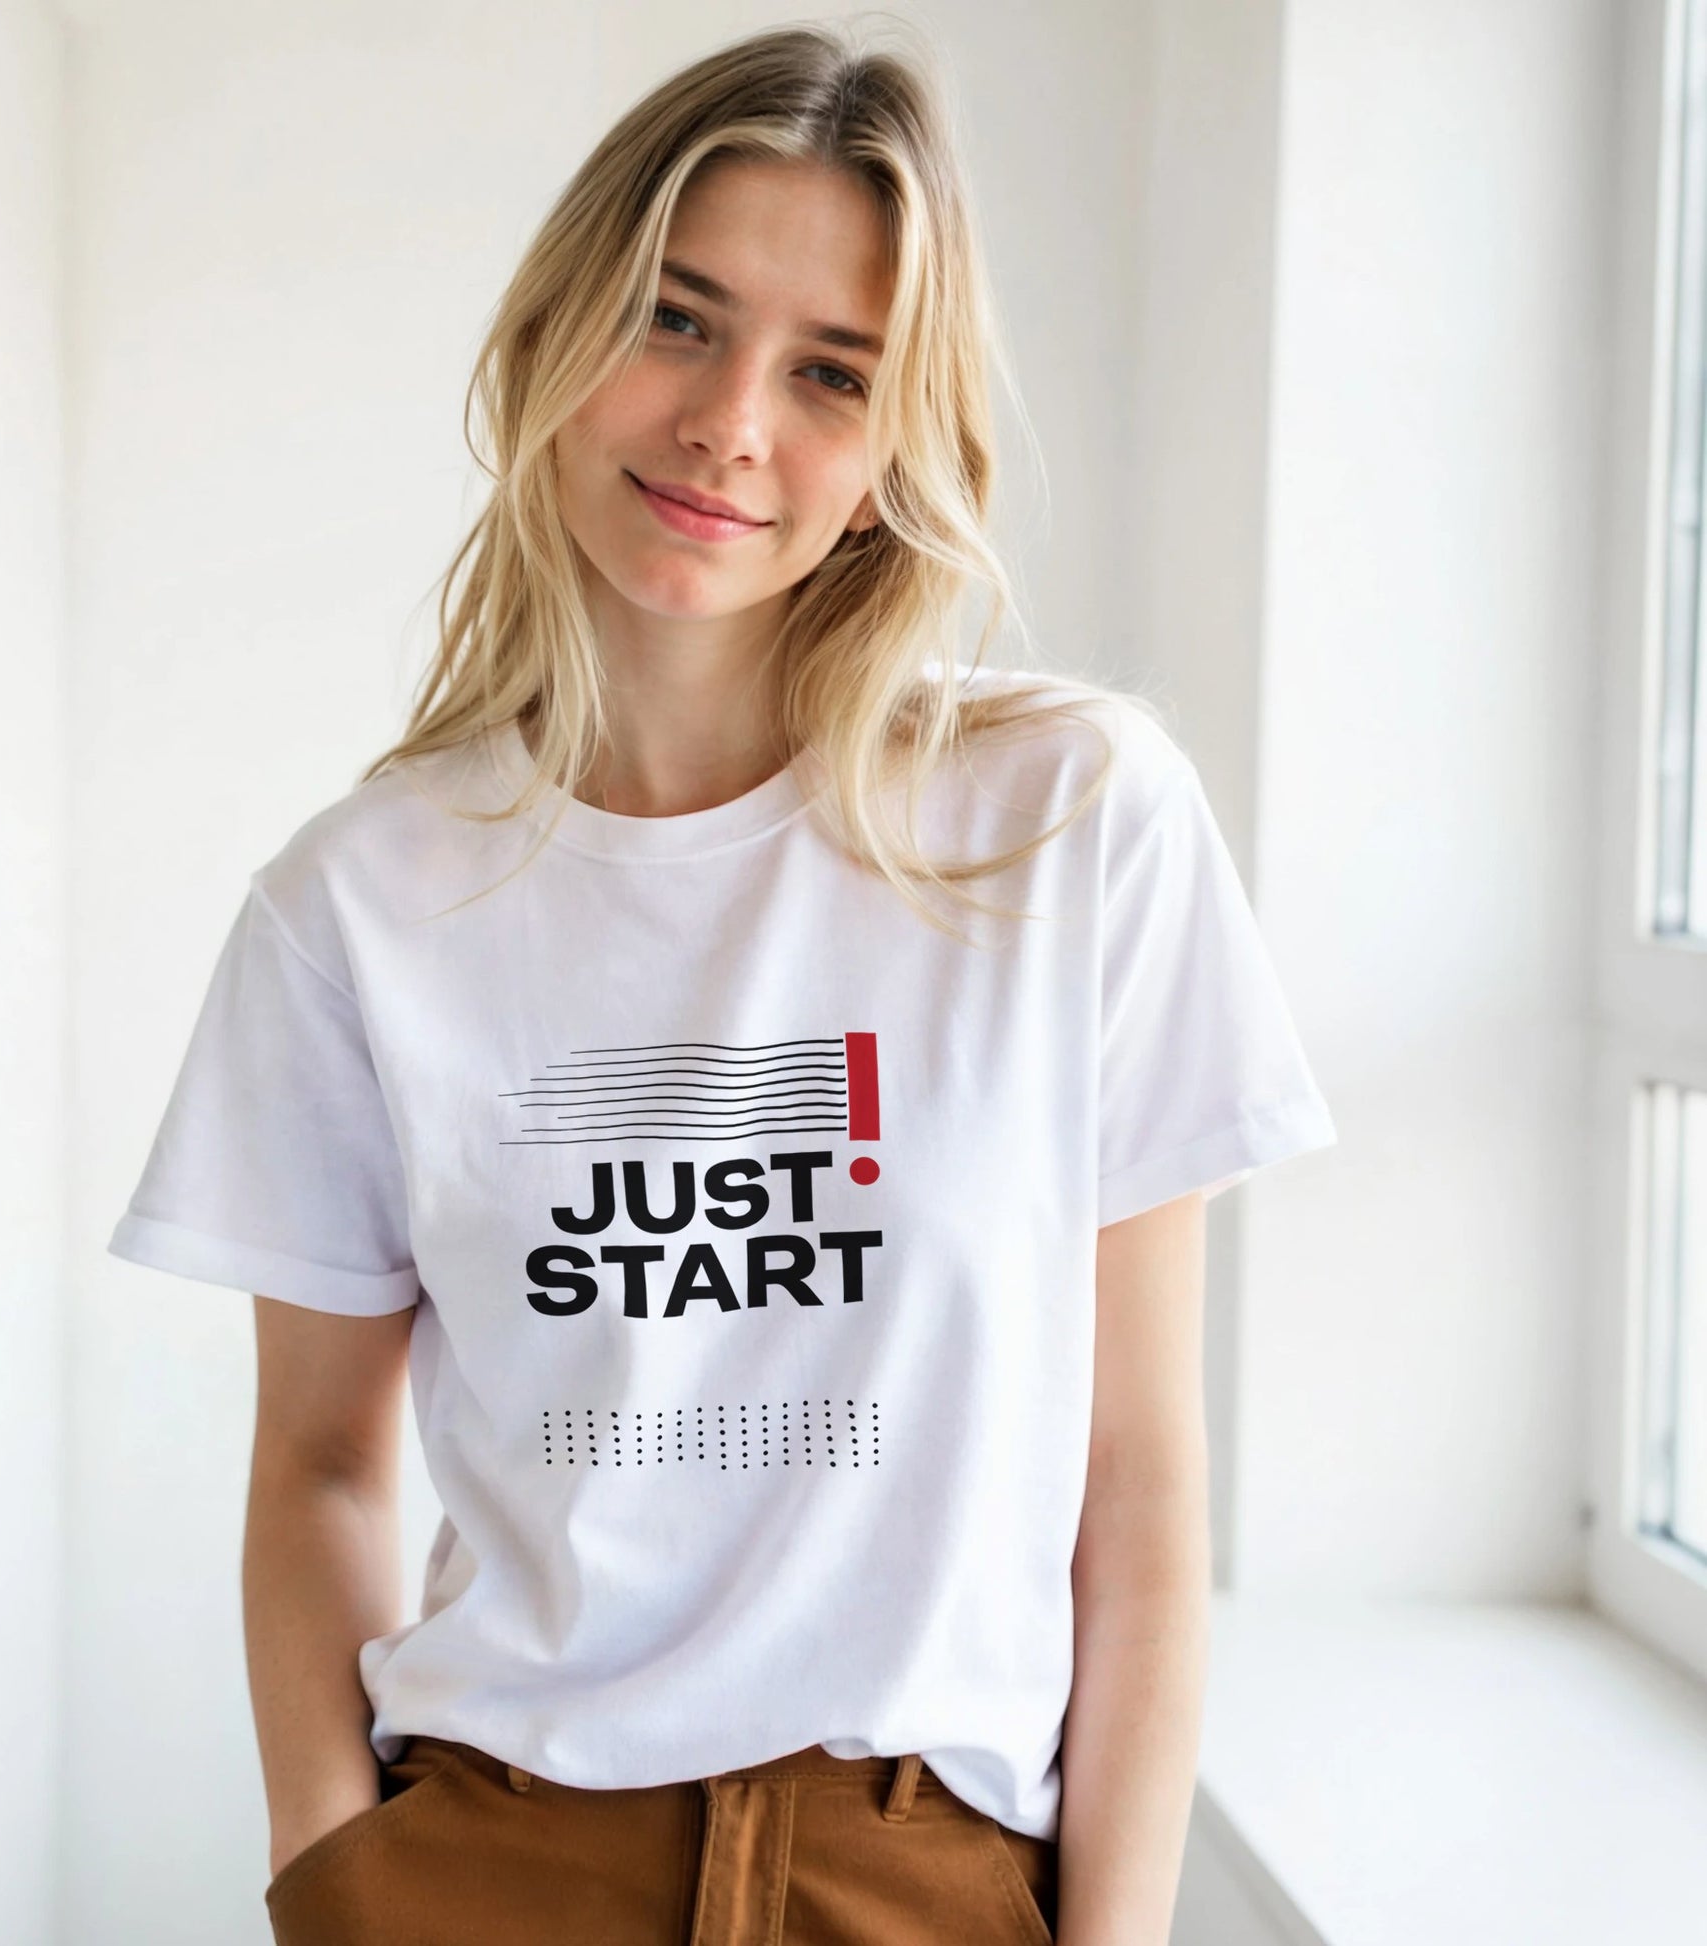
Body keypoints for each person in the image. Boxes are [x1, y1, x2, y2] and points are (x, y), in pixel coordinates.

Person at [106, 19, 1337, 1946]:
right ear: (555, 333)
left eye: (827, 370)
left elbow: (1141, 1480)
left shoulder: (1072, 827)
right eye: (676, 319)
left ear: (891, 449)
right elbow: (323, 1458)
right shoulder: (358, 903)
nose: (729, 422)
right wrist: (335, 1877)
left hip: (925, 1869)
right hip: (492, 1863)